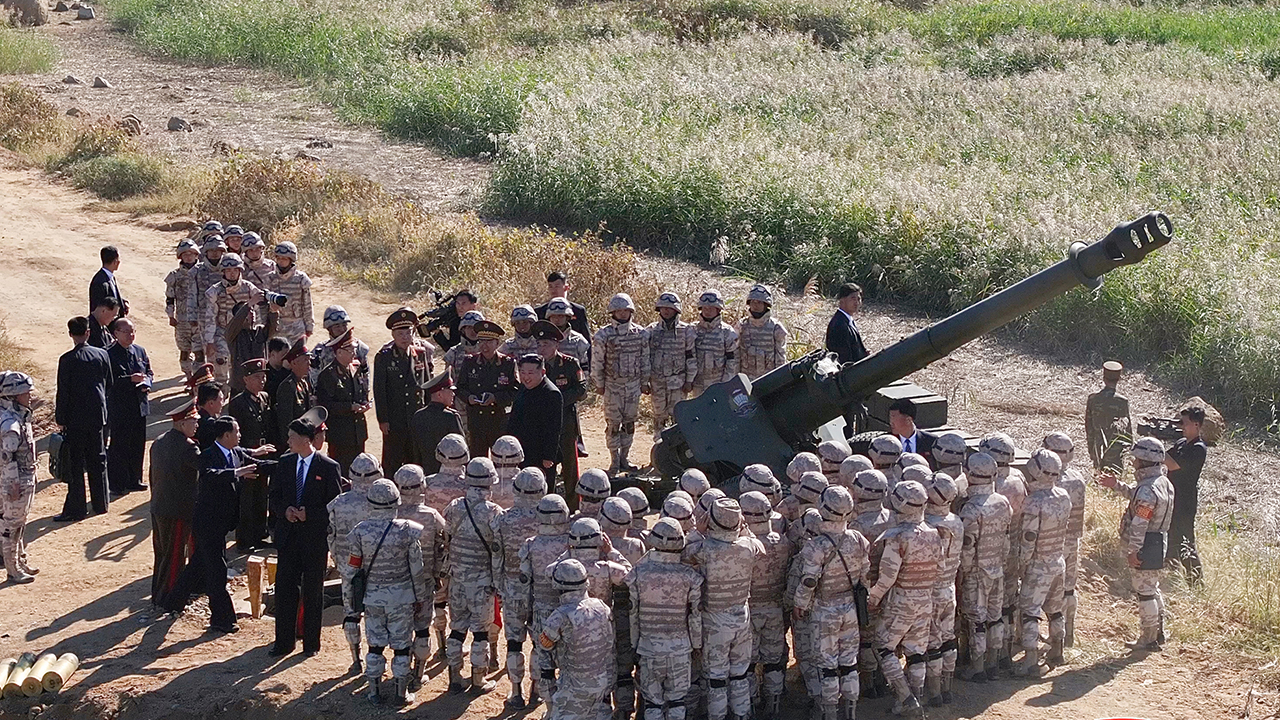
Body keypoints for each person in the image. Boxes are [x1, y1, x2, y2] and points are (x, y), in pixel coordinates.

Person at [183, 417, 273, 633]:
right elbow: (209, 475)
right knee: (217, 571)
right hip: (207, 523)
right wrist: (236, 473)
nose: (239, 434)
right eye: (237, 431)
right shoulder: (208, 455)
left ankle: (172, 600)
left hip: (222, 524)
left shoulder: (235, 452)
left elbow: (259, 465)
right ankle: (222, 620)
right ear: (226, 435)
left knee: (199, 565)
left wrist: (292, 462)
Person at [348, 478, 429, 706]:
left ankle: (373, 691)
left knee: (375, 645)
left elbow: (353, 568)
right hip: (401, 598)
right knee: (402, 647)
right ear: (396, 501)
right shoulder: (407, 530)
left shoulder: (360, 532)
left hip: (372, 597)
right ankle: (400, 694)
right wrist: (420, 597)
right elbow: (417, 569)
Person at [793, 486, 870, 720]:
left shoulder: (817, 546)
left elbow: (808, 582)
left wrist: (800, 605)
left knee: (827, 667)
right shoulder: (858, 539)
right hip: (850, 607)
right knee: (849, 664)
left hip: (825, 610)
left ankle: (829, 713)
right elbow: (865, 576)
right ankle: (851, 712)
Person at [684, 498, 764, 720]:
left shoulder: (705, 549)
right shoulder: (748, 547)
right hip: (742, 617)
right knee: (739, 675)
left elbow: (684, 553)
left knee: (717, 678)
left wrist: (696, 531)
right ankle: (741, 715)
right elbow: (758, 544)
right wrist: (743, 527)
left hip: (715, 622)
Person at [269, 415, 342, 655]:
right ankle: (283, 642)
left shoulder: (328, 467)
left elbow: (334, 506)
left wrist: (309, 514)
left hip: (313, 540)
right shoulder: (285, 463)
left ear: (304, 439)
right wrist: (285, 511)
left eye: (291, 437)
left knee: (313, 592)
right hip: (288, 537)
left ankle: (311, 644)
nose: (288, 441)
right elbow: (275, 497)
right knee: (285, 590)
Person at [868, 480, 941, 715]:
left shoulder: (898, 537)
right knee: (916, 651)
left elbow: (888, 576)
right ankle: (916, 698)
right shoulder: (934, 532)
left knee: (883, 647)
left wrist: (874, 597)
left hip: (901, 600)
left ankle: (906, 698)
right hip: (925, 598)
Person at [1098, 437, 1175, 651]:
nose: (1133, 463)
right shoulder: (1162, 483)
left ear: (1144, 461)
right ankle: (1158, 633)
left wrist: (1133, 551)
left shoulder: (1148, 490)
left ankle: (1148, 638)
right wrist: (1116, 486)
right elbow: (1136, 495)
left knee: (1145, 592)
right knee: (1152, 588)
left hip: (1145, 544)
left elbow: (1141, 522)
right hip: (1158, 541)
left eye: (1136, 459)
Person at [626, 517, 703, 720]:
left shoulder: (638, 574)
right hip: (680, 648)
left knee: (653, 702)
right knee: (677, 701)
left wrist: (635, 645)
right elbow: (695, 616)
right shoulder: (691, 576)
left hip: (649, 648)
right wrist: (696, 645)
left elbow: (633, 615)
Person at [442, 457, 504, 693]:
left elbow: (445, 537)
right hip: (482, 583)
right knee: (480, 633)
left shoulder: (455, 507)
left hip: (457, 580)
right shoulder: (493, 513)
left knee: (456, 629)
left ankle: (454, 678)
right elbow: (499, 548)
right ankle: (478, 680)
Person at [492, 467, 547, 707]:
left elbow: (497, 559)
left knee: (514, 643)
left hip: (512, 588)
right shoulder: (550, 520)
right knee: (538, 643)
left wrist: (499, 587)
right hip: (540, 593)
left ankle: (515, 692)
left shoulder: (502, 520)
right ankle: (535, 690)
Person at [391, 464, 448, 691]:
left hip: (396, 583)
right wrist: (438, 572)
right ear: (422, 485)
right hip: (424, 582)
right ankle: (419, 672)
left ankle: (399, 678)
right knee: (422, 627)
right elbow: (447, 541)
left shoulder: (390, 514)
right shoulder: (431, 516)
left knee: (400, 631)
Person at [1016, 450, 1072, 677]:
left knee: (1030, 612)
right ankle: (1057, 651)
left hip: (1039, 564)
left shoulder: (1033, 502)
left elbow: (1029, 538)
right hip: (1058, 560)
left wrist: (1022, 563)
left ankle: (1030, 661)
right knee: (1055, 610)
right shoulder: (1063, 496)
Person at [540, 558, 616, 720]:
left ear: (558, 585)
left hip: (574, 687)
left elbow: (545, 646)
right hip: (602, 682)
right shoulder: (602, 607)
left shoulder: (560, 616)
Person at [957, 452, 1010, 681]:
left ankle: (976, 667)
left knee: (977, 620)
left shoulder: (970, 510)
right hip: (997, 568)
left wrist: (964, 572)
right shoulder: (1003, 502)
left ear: (970, 475)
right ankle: (993, 663)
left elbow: (967, 548)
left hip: (977, 572)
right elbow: (1007, 541)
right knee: (995, 617)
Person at [54, 317, 112, 521]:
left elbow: (64, 392)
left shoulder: (67, 360)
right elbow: (108, 384)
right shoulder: (102, 354)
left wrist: (60, 418)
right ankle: (101, 503)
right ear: (88, 332)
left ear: (70, 334)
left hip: (75, 419)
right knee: (98, 459)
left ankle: (77, 508)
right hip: (97, 416)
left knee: (76, 464)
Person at [329, 454, 383, 674]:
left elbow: (331, 537)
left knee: (351, 613)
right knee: (374, 615)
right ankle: (374, 659)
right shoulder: (382, 503)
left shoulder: (337, 504)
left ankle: (355, 659)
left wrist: (339, 561)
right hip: (377, 568)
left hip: (348, 567)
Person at [519, 493, 573, 707]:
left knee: (542, 653)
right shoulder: (572, 542)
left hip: (541, 608)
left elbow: (525, 584)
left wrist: (527, 611)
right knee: (568, 657)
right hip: (566, 608)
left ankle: (537, 693)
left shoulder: (531, 545)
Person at [149, 399, 201, 609]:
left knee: (161, 553)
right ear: (182, 424)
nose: (197, 425)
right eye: (193, 421)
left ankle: (158, 594)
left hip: (159, 506)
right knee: (175, 556)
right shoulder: (188, 448)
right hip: (178, 510)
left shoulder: (159, 441)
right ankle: (171, 599)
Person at [592, 293, 649, 473]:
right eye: (619, 311)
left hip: (633, 386)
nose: (623, 314)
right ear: (612, 312)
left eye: (626, 310)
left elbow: (645, 359)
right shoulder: (604, 335)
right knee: (613, 425)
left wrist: (644, 382)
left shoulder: (641, 334)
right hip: (612, 385)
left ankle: (625, 457)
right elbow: (597, 361)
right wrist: (599, 383)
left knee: (630, 423)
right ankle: (614, 461)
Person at [373, 308, 433, 473]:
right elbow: (380, 390)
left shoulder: (420, 354)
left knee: (415, 458)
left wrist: (429, 412)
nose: (405, 338)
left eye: (408, 333)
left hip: (416, 415)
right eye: (400, 334)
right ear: (393, 335)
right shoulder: (384, 357)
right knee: (393, 460)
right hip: (395, 418)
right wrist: (383, 419)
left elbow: (426, 385)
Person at [922, 472, 963, 704]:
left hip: (929, 593)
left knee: (932, 643)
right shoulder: (956, 522)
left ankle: (934, 692)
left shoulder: (926, 526)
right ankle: (947, 688)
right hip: (949, 589)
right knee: (948, 639)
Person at [1043, 432, 1086, 647]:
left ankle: (1054, 638)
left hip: (1052, 545)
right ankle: (1069, 633)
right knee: (1069, 589)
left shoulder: (1048, 480)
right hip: (1073, 541)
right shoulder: (1078, 478)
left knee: (1050, 592)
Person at [534, 321, 585, 503]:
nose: (542, 349)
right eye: (539, 344)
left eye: (546, 344)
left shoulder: (570, 364)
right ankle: (547, 502)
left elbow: (582, 390)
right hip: (542, 423)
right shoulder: (534, 365)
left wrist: (558, 400)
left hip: (566, 422)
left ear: (557, 344)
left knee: (570, 467)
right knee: (546, 464)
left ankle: (572, 505)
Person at [227, 359, 274, 552]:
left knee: (262, 496)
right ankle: (245, 539)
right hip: (247, 453)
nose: (261, 381)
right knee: (247, 498)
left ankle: (259, 533)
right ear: (246, 379)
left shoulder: (264, 397)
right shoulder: (238, 403)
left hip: (264, 452)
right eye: (256, 377)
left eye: (263, 377)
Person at [456, 320, 518, 459]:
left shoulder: (507, 364)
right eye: (481, 341)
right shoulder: (469, 362)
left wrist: (495, 398)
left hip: (499, 419)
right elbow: (459, 388)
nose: (485, 346)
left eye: (489, 341)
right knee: (478, 461)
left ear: (497, 343)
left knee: (501, 460)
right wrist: (469, 398)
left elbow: (515, 391)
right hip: (477, 420)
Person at [106, 318, 153, 495]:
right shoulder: (109, 354)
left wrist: (147, 382)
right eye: (126, 332)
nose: (130, 335)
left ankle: (135, 479)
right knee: (119, 447)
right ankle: (117, 483)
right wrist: (130, 380)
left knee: (137, 444)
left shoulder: (139, 351)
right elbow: (109, 381)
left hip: (139, 405)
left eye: (132, 331)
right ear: (116, 333)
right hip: (120, 407)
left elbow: (149, 372)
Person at [203, 253, 265, 384]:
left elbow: (259, 307)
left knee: (242, 364)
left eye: (235, 270)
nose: (232, 274)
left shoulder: (248, 288)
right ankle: (221, 390)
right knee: (222, 361)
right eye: (228, 270)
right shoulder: (215, 292)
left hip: (243, 333)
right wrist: (209, 341)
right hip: (223, 332)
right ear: (223, 271)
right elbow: (210, 317)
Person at [317, 330, 371, 475]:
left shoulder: (356, 369)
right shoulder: (328, 375)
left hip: (357, 432)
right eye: (351, 350)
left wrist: (365, 404)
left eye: (354, 348)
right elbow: (324, 405)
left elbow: (362, 391)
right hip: (340, 434)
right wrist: (350, 407)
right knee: (341, 472)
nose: (354, 353)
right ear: (339, 352)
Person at [0, 371, 37, 584]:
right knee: (11, 526)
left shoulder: (18, 416)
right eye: (25, 392)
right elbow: (9, 458)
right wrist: (13, 483)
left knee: (19, 523)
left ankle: (20, 561)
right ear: (13, 396)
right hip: (16, 480)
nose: (29, 396)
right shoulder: (10, 424)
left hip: (23, 477)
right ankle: (12, 569)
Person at [646, 292, 697, 441]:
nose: (666, 311)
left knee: (678, 415)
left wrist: (689, 380)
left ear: (677, 310)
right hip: (657, 381)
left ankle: (677, 446)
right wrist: (645, 381)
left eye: (670, 308)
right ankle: (658, 447)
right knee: (658, 415)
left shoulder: (686, 331)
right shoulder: (651, 330)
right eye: (663, 308)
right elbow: (645, 357)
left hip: (678, 381)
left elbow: (691, 357)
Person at [1165, 405, 1207, 584]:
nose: (1182, 426)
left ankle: (1196, 582)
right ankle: (1172, 576)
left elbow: (1174, 465)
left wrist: (1156, 448)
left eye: (1185, 423)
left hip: (1185, 500)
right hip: (1173, 496)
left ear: (1196, 425)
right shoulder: (1182, 443)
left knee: (1185, 541)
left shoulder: (1198, 448)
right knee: (1170, 535)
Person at [506, 354, 563, 474]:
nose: (526, 377)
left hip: (540, 454)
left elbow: (553, 428)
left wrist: (548, 456)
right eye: (522, 372)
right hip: (522, 450)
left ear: (542, 372)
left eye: (530, 373)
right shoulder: (523, 388)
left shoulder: (551, 393)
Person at [826, 283, 869, 434]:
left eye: (859, 298)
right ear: (842, 301)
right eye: (853, 299)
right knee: (847, 426)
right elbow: (843, 358)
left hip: (851, 383)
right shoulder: (839, 324)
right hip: (845, 384)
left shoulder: (848, 321)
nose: (857, 302)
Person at [410, 370, 464, 475]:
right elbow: (461, 449)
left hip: (425, 473)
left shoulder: (418, 416)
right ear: (439, 394)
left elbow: (415, 451)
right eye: (450, 390)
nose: (453, 394)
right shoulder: (451, 417)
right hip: (448, 473)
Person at [186, 236, 227, 368]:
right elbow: (192, 295)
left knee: (226, 352)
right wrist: (191, 317)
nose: (215, 253)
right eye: (211, 250)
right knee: (209, 350)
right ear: (206, 252)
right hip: (204, 317)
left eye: (218, 250)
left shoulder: (229, 267)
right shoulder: (197, 271)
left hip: (225, 315)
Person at [1085, 361, 1133, 472]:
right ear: (1118, 379)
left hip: (1098, 442)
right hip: (1115, 444)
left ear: (1104, 378)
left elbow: (1089, 425)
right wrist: (1129, 447)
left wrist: (1091, 447)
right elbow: (1126, 427)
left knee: (1098, 474)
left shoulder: (1093, 399)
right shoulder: (1122, 401)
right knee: (1114, 474)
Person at [690, 290, 738, 396]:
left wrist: (726, 383)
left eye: (711, 308)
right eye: (705, 308)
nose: (707, 311)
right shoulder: (692, 329)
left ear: (718, 309)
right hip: (698, 382)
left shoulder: (727, 332)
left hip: (718, 382)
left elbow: (732, 360)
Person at [165, 239, 202, 377]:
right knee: (184, 350)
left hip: (199, 319)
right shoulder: (175, 276)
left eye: (191, 254)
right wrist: (171, 316)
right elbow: (169, 298)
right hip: (182, 319)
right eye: (185, 254)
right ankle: (189, 377)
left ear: (196, 255)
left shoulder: (202, 272)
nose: (188, 257)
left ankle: (199, 379)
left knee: (200, 352)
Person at [226, 301, 277, 395]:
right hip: (240, 385)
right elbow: (234, 324)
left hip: (260, 384)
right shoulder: (233, 334)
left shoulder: (260, 331)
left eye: (253, 310)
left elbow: (273, 328)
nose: (252, 313)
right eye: (248, 311)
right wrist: (246, 306)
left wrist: (273, 311)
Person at [737, 284, 787, 381]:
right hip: (745, 380)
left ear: (766, 305)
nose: (755, 305)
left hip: (768, 380)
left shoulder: (776, 328)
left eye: (759, 302)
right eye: (753, 302)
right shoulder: (741, 326)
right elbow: (735, 356)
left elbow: (781, 358)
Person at [268, 241, 314, 343]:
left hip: (297, 326)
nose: (281, 261)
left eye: (284, 258)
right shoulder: (270, 278)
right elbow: (263, 303)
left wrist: (309, 325)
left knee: (297, 357)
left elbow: (307, 304)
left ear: (291, 259)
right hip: (276, 327)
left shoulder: (301, 279)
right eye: (278, 258)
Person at [276, 339, 315, 444]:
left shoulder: (304, 382)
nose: (309, 364)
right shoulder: (287, 387)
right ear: (293, 363)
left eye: (309, 360)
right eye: (305, 360)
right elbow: (285, 422)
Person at [535, 271, 591, 340]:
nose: (553, 290)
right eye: (550, 286)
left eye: (557, 286)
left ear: (566, 287)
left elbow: (586, 340)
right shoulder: (540, 311)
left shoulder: (578, 311)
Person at [889, 398, 937, 463]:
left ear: (908, 420)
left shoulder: (931, 442)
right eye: (890, 417)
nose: (891, 422)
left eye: (893, 417)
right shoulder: (887, 442)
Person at [545, 298, 590, 365]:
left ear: (567, 317)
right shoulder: (541, 340)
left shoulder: (578, 340)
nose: (557, 319)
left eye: (560, 316)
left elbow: (584, 368)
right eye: (553, 316)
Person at [89, 245, 128, 318]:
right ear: (115, 262)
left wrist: (122, 302)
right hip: (108, 324)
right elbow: (100, 309)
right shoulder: (100, 282)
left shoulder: (109, 277)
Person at [195, 380, 225, 451]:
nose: (223, 403)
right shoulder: (209, 425)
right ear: (211, 403)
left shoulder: (197, 417)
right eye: (221, 400)